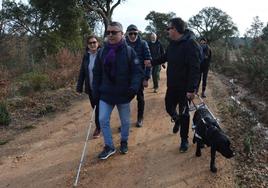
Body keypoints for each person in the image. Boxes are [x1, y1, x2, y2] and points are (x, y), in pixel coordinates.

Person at [148, 17, 200, 152]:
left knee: (185, 114)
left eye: (168, 28)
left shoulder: (190, 44)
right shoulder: (173, 43)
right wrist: (151, 62)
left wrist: (192, 89)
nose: (167, 31)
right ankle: (176, 119)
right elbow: (165, 57)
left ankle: (184, 140)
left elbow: (195, 68)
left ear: (175, 29)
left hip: (185, 88)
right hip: (172, 85)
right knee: (168, 106)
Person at [93, 21, 142, 160]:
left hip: (123, 94)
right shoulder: (102, 52)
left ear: (122, 34)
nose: (110, 35)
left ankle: (124, 141)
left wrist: (133, 88)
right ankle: (109, 146)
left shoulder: (129, 52)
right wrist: (95, 91)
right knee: (102, 119)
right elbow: (97, 73)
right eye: (108, 32)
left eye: (114, 32)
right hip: (106, 93)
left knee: (125, 122)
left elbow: (137, 72)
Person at [126, 24, 152, 127]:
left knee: (140, 98)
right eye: (130, 33)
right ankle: (125, 121)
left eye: (135, 33)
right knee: (124, 99)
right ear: (127, 34)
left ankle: (140, 118)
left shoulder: (143, 44)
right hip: (126, 77)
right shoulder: (123, 43)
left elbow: (148, 61)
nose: (133, 35)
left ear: (138, 33)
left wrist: (146, 78)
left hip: (140, 76)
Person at [76, 35, 101, 139]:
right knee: (95, 107)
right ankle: (101, 125)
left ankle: (98, 128)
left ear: (98, 43)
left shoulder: (102, 54)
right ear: (88, 45)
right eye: (90, 43)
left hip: (101, 88)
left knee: (98, 108)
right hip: (90, 88)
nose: (92, 44)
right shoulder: (86, 56)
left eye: (94, 42)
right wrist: (79, 86)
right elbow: (82, 72)